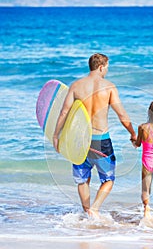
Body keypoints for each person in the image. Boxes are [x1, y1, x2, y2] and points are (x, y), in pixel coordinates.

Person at [53, 53, 136, 217]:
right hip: (101, 141)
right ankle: (95, 208)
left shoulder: (76, 86)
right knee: (108, 179)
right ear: (101, 67)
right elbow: (122, 116)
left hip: (80, 141)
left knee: (83, 179)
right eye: (107, 67)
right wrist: (133, 133)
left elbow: (64, 112)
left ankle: (86, 212)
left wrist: (56, 135)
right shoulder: (109, 87)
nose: (107, 70)